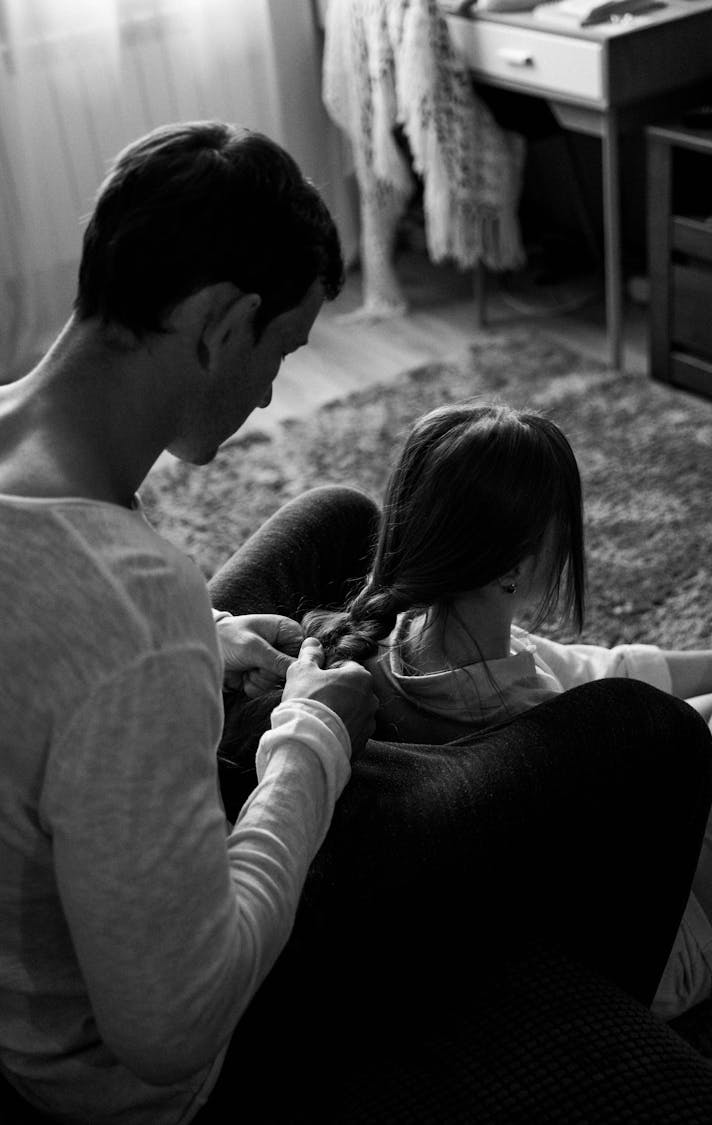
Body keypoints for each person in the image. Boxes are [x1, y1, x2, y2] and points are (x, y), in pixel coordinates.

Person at [0, 120, 378, 1123]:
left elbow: (39, 643)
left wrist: (205, 632)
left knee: (339, 520)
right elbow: (172, 1032)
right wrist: (316, 740)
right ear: (218, 322)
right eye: (280, 351)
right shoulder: (132, 607)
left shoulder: (112, 573)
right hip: (111, 1087)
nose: (265, 394)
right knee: (618, 744)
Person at [302, 400, 712, 1023]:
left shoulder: (401, 638)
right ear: (515, 564)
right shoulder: (527, 719)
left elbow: (598, 672)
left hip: (582, 872)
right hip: (649, 944)